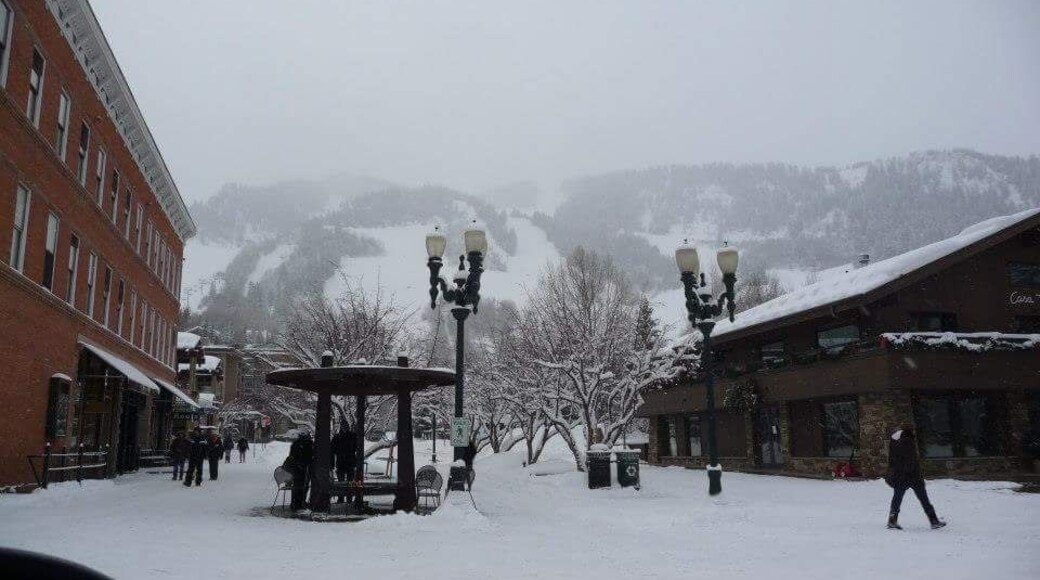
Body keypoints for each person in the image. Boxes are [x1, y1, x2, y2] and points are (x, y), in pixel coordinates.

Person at [886, 425, 946, 530]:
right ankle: (934, 520)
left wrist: (897, 471)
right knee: (924, 499)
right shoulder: (908, 440)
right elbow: (911, 459)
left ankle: (892, 520)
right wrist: (912, 471)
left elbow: (892, 460)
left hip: (900, 476)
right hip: (913, 476)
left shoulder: (893, 441)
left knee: (897, 498)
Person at [330, 425, 357, 504]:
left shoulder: (337, 437)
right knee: (348, 482)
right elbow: (357, 447)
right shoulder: (353, 436)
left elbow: (332, 450)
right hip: (349, 462)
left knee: (342, 482)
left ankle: (343, 498)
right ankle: (347, 499)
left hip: (342, 462)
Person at [288, 432, 314, 511]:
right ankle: (299, 503)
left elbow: (292, 456)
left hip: (299, 468)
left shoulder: (296, 444)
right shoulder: (307, 444)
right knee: (301, 486)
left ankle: (296, 503)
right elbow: (309, 455)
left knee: (299, 486)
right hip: (302, 468)